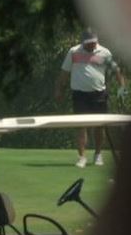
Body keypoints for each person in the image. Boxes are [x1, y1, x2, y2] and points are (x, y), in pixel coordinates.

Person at [54, 28, 127, 168]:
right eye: (88, 43)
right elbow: (64, 73)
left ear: (96, 41)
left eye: (93, 43)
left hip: (99, 94)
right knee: (81, 126)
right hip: (79, 94)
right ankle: (82, 157)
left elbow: (116, 71)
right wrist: (59, 90)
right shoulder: (74, 52)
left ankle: (98, 155)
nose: (91, 46)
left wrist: (122, 87)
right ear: (83, 42)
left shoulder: (105, 53)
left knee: (99, 127)